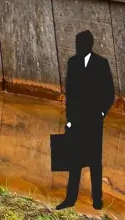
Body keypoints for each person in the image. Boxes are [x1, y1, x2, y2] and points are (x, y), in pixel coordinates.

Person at [61, 29, 115, 211]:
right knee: (74, 161)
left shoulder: (101, 63)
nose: (78, 47)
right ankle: (70, 199)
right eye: (77, 44)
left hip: (93, 121)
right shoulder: (73, 62)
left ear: (89, 45)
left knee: (94, 162)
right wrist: (69, 119)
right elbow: (70, 93)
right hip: (76, 120)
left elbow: (109, 92)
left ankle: (97, 201)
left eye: (81, 44)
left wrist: (101, 113)